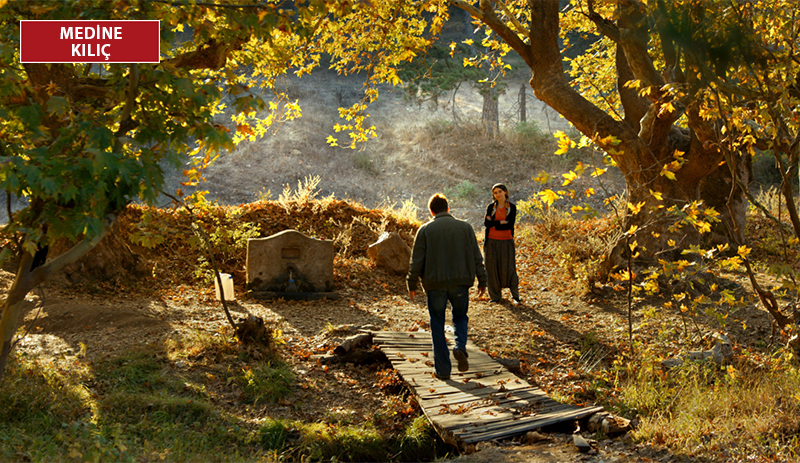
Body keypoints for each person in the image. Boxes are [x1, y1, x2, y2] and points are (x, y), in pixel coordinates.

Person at [407, 193, 487, 380]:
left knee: (437, 323)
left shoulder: (425, 230)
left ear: (431, 211)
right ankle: (459, 347)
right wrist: (482, 280)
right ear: (448, 208)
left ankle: (443, 370)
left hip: (435, 285)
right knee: (459, 317)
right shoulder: (465, 228)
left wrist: (412, 283)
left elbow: (416, 260)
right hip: (460, 283)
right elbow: (476, 256)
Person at [483, 183, 521, 304]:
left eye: (500, 191)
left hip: (506, 240)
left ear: (505, 192)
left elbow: (510, 225)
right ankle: (495, 296)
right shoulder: (491, 207)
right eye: (495, 193)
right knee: (491, 268)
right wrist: (501, 223)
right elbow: (486, 224)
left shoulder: (511, 207)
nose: (498, 194)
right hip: (491, 241)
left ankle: (515, 296)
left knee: (509, 267)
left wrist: (495, 223)